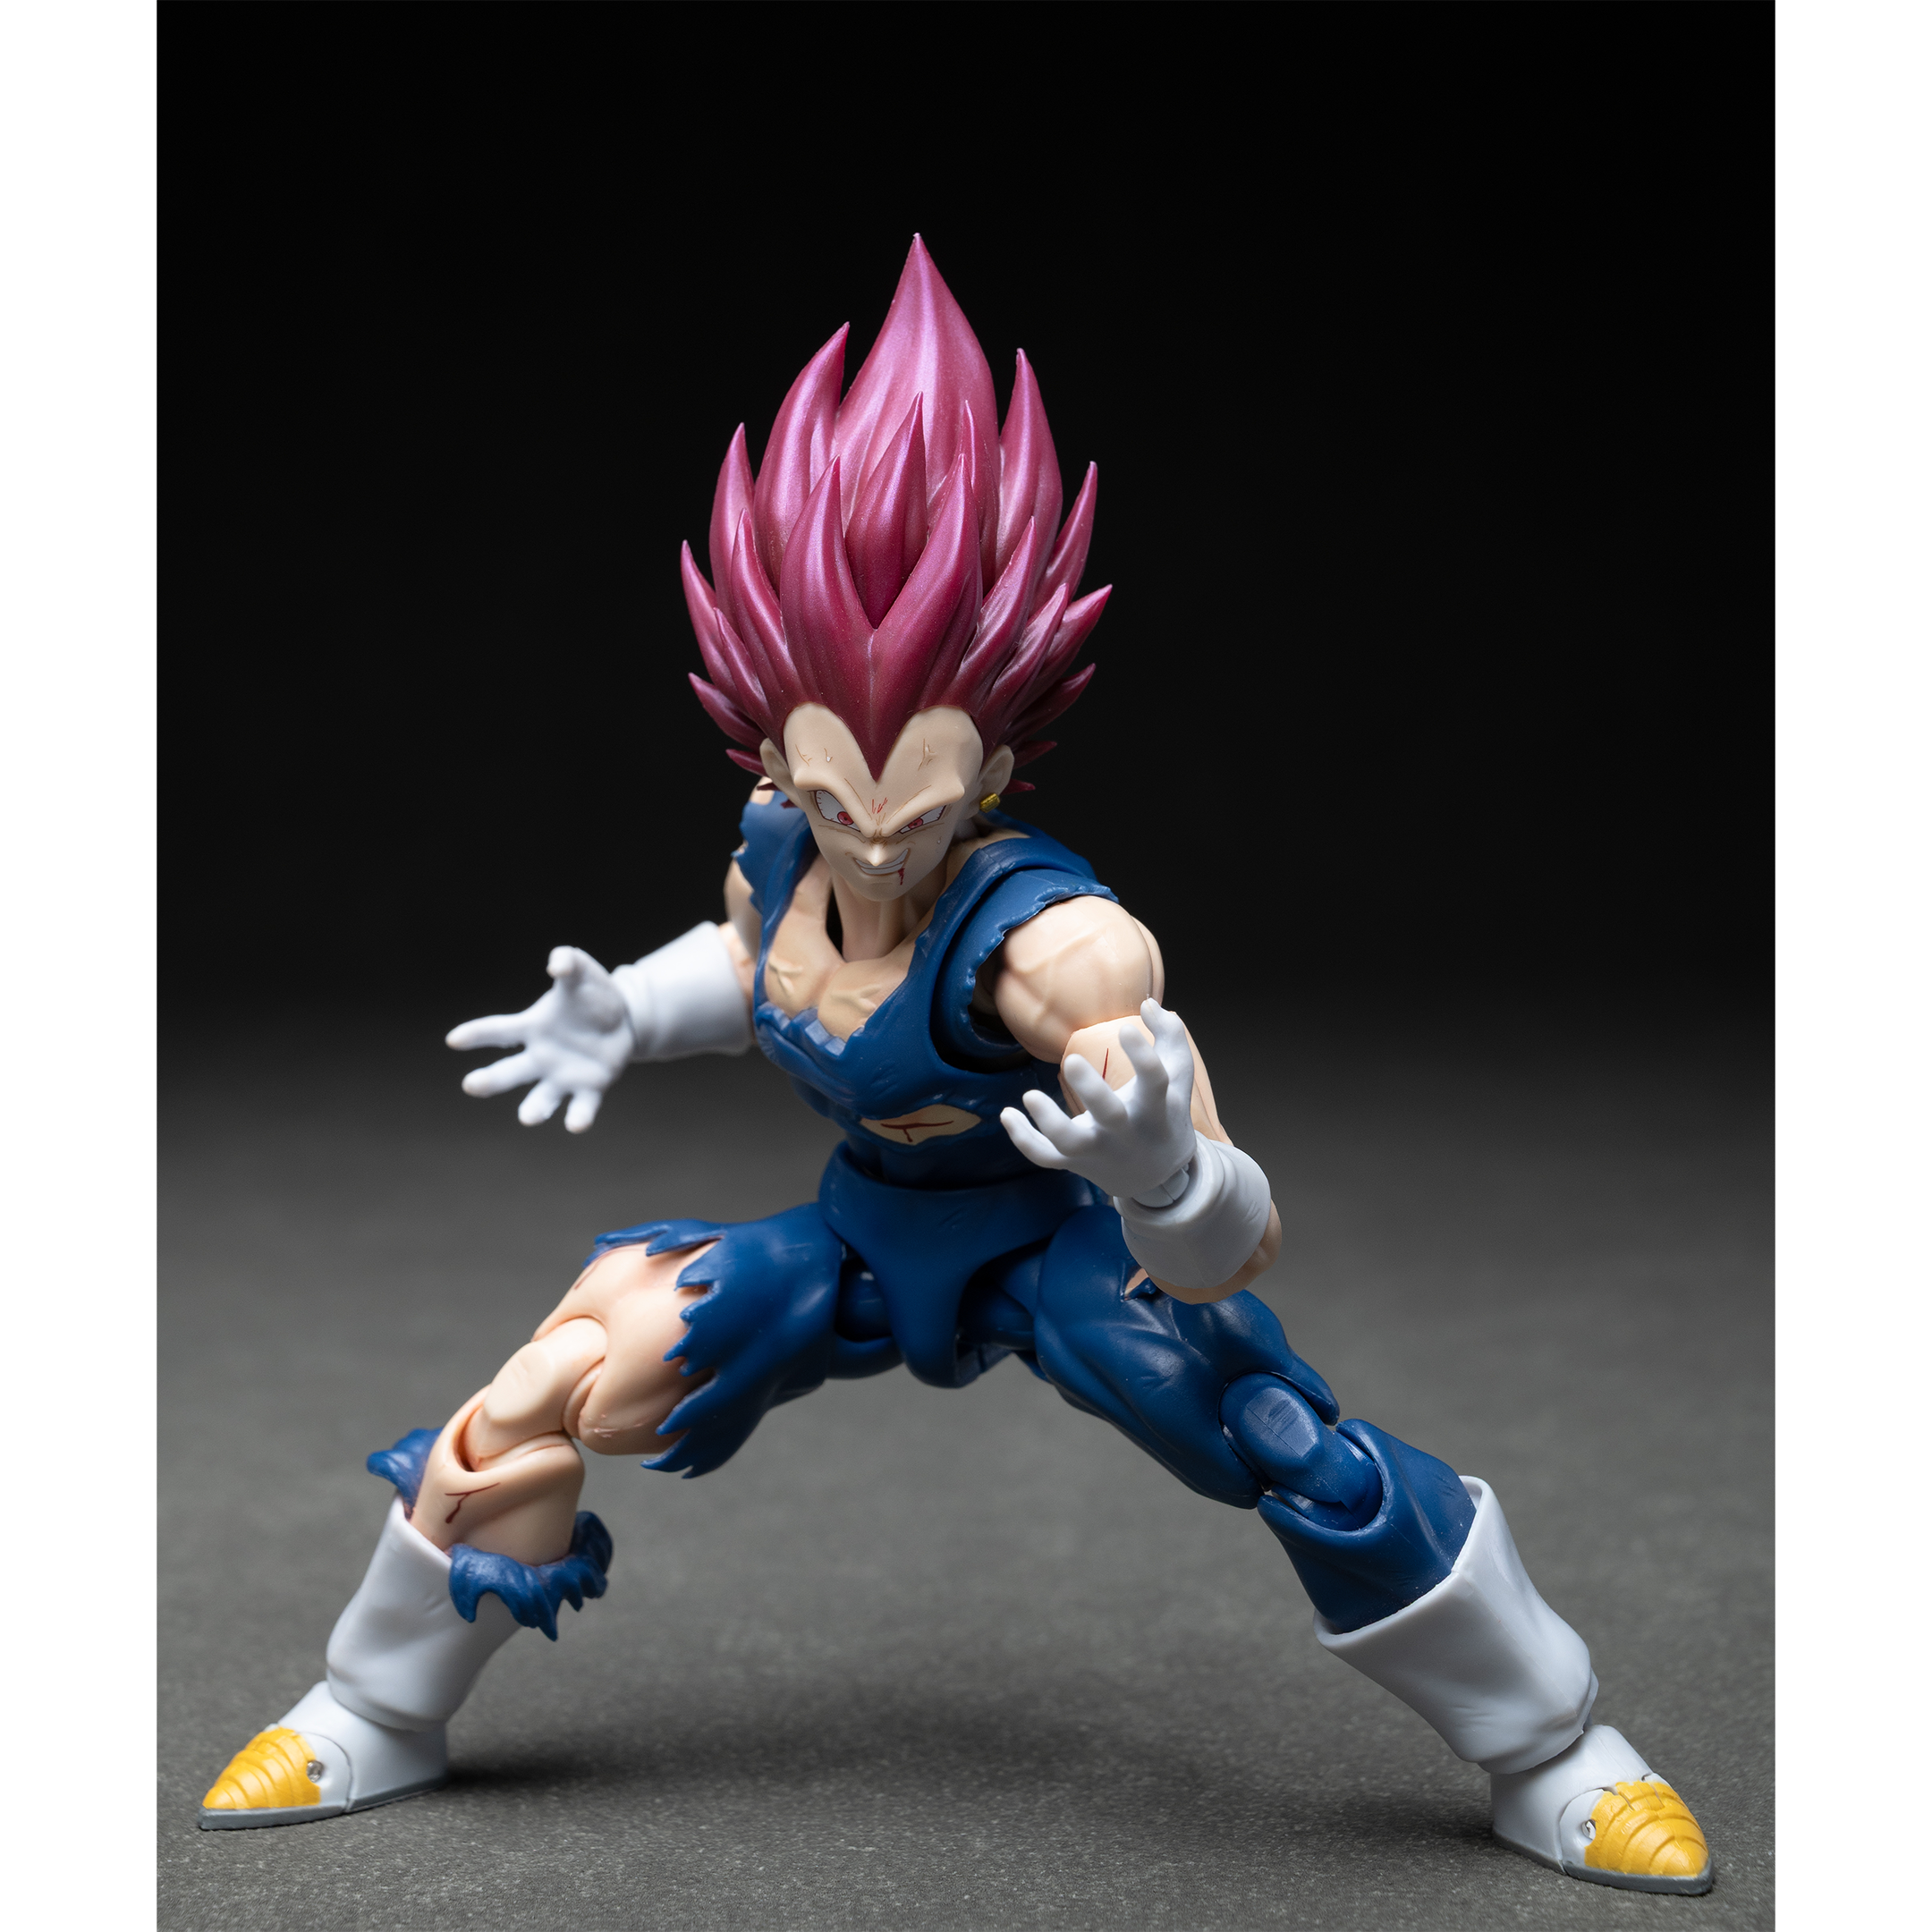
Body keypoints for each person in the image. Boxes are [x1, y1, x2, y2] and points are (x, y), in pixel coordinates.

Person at [200, 239, 1711, 1895]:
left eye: (913, 810)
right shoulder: (777, 848)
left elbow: (1235, 1240)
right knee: (544, 1385)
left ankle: (1551, 1746)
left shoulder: (1063, 953)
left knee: (1283, 1434)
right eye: (827, 796)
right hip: (858, 1242)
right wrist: (626, 1013)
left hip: (1050, 1256)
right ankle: (377, 1707)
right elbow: (755, 968)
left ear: (994, 761)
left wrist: (1162, 1175)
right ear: (769, 747)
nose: (869, 843)